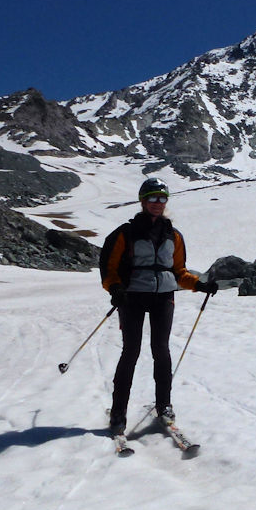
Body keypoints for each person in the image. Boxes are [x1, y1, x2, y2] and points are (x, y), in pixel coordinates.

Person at [101, 178, 218, 435]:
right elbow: (109, 269)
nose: (157, 203)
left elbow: (179, 272)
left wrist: (200, 285)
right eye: (152, 198)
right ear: (143, 201)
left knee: (161, 351)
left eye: (162, 199)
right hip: (131, 297)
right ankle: (119, 411)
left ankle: (164, 406)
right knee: (131, 351)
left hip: (163, 297)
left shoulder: (173, 236)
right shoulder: (125, 233)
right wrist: (115, 288)